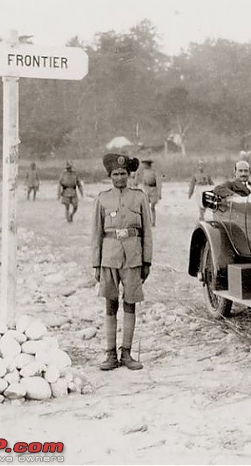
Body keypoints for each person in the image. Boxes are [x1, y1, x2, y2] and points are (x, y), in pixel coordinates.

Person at [91, 153, 153, 371]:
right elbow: (96, 233)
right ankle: (110, 354)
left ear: (129, 175)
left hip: (133, 258)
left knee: (130, 303)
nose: (120, 178)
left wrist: (147, 261)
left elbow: (147, 233)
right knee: (110, 304)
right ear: (110, 176)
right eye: (115, 174)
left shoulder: (140, 197)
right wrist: (96, 264)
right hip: (109, 257)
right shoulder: (102, 198)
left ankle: (126, 353)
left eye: (123, 174)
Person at [138, 159, 162, 227]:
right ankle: (148, 221)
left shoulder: (154, 171)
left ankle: (153, 221)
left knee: (152, 206)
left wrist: (159, 193)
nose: (143, 165)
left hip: (154, 190)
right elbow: (144, 181)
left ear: (148, 164)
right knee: (145, 206)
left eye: (145, 164)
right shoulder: (144, 172)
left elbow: (158, 182)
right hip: (147, 189)